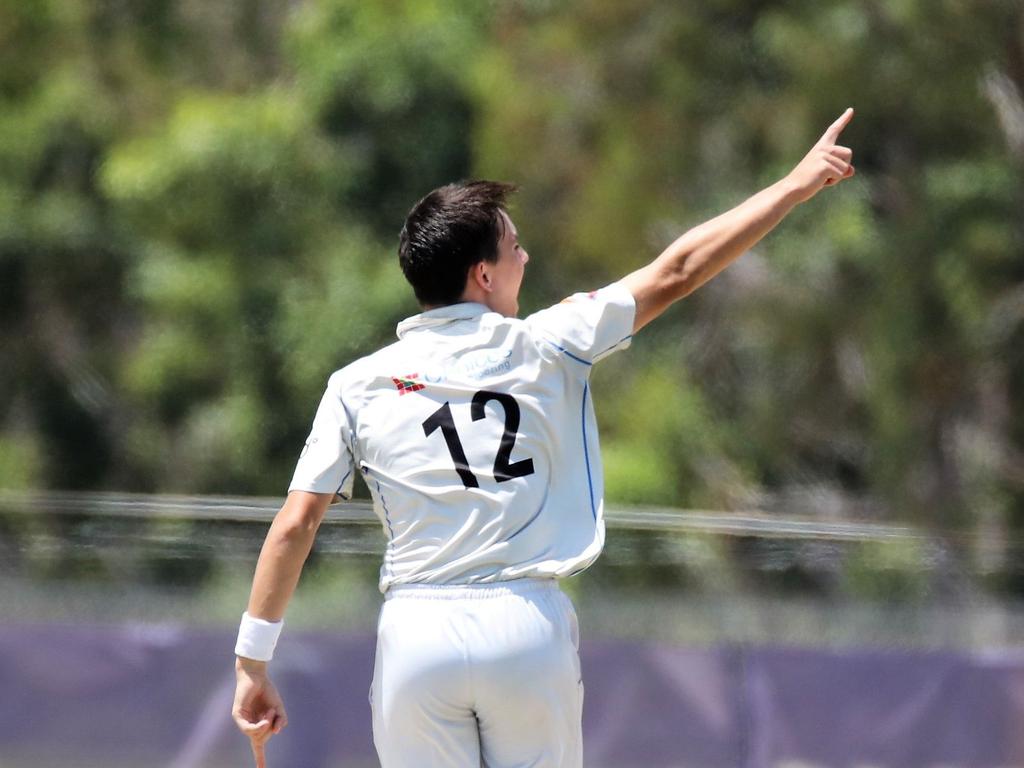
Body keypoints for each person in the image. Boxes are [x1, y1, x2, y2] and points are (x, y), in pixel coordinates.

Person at [231, 108, 856, 768]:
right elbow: (678, 270)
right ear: (484, 275)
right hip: (523, 626)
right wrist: (792, 186)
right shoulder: (551, 342)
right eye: (515, 247)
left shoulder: (356, 384)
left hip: (417, 632)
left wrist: (251, 662)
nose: (526, 257)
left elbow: (296, 524)